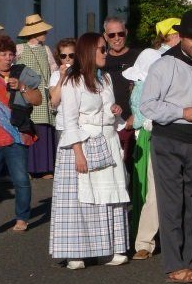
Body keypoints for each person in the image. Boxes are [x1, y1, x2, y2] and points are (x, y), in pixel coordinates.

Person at [140, 9, 192, 283]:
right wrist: (181, 112)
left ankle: (189, 262)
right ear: (181, 37)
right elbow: (147, 106)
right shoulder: (163, 66)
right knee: (171, 205)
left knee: (189, 204)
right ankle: (175, 266)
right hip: (167, 140)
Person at [48, 32, 130, 269]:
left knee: (111, 195)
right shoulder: (73, 81)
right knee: (80, 200)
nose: (106, 53)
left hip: (107, 139)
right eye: (102, 49)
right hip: (82, 143)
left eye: (105, 49)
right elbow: (70, 119)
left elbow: (109, 110)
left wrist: (115, 110)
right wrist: (78, 152)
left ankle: (115, 248)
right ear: (88, 52)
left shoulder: (105, 79)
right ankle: (77, 252)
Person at [123, 17, 181, 260]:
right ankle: (145, 240)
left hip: (176, 132)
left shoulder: (181, 64)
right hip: (154, 133)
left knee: (177, 190)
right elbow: (140, 111)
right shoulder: (151, 68)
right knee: (154, 190)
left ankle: (169, 239)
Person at [0, 35, 42, 238]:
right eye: (3, 54)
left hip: (16, 136)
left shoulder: (22, 74)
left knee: (20, 180)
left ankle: (22, 217)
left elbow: (37, 100)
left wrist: (21, 87)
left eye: (11, 54)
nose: (8, 58)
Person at [16, 14, 57, 179]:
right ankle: (28, 168)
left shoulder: (46, 49)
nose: (45, 33)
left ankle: (46, 167)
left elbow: (53, 68)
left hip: (44, 92)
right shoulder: (20, 49)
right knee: (28, 128)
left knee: (44, 129)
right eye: (42, 31)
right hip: (27, 93)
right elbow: (12, 67)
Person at [102, 16, 141, 179]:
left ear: (126, 33)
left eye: (120, 34)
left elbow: (147, 89)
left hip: (133, 121)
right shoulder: (102, 59)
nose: (116, 38)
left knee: (135, 169)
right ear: (105, 36)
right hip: (109, 123)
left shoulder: (138, 57)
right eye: (112, 35)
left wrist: (136, 115)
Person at [48, 38, 77, 140]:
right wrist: (62, 78)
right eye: (63, 56)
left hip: (81, 125)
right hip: (63, 126)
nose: (67, 59)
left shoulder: (83, 74)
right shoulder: (56, 76)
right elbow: (54, 101)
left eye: (71, 55)